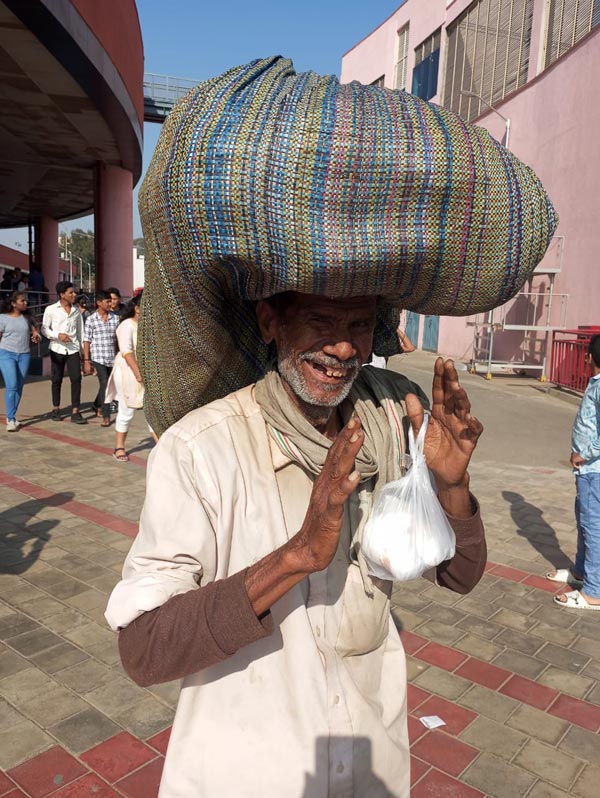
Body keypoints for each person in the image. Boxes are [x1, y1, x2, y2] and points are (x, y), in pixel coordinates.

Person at [104, 57, 557, 797]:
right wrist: (298, 555)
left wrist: (451, 487)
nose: (343, 347)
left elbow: (460, 574)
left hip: (369, 763)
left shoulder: (391, 416)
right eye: (319, 319)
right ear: (269, 320)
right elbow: (144, 648)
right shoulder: (202, 449)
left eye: (358, 324)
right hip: (246, 774)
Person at [549, 334, 600, 610]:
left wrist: (584, 453)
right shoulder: (596, 383)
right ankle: (580, 572)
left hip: (593, 470)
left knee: (593, 527)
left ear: (589, 357)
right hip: (586, 472)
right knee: (583, 520)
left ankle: (594, 591)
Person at [104, 292, 153, 459]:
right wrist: (138, 373)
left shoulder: (149, 326)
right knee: (127, 409)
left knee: (152, 410)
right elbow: (127, 352)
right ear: (137, 309)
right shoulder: (126, 325)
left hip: (147, 371)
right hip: (127, 371)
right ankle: (119, 447)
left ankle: (161, 446)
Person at [40, 281, 87, 424]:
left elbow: (81, 333)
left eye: (74, 292)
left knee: (76, 379)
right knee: (56, 379)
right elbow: (44, 329)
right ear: (62, 294)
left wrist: (84, 356)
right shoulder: (51, 309)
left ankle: (75, 411)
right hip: (57, 349)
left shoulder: (76, 312)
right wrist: (57, 336)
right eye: (70, 292)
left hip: (73, 349)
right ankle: (56, 409)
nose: (74, 295)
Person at [0, 291, 40, 430]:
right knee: (12, 385)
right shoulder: (3, 318)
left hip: (24, 355)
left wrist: (36, 335)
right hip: (6, 354)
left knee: (19, 386)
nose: (25, 303)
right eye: (22, 301)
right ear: (13, 303)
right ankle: (10, 419)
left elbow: (35, 332)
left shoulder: (27, 318)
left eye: (26, 300)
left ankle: (12, 416)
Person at [83, 290, 119, 426]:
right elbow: (87, 341)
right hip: (98, 358)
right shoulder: (91, 320)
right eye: (107, 301)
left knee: (109, 384)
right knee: (105, 383)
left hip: (112, 357)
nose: (110, 303)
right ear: (99, 303)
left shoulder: (115, 319)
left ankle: (96, 404)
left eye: (111, 301)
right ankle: (106, 414)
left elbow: (118, 338)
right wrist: (86, 360)